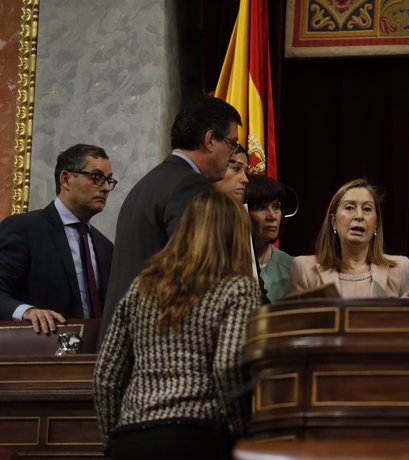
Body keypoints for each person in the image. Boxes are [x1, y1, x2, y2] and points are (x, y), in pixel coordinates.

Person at [94, 189, 261, 460]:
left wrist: (113, 438)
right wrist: (241, 430)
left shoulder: (142, 286)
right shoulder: (237, 288)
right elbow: (228, 365)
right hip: (196, 435)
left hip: (132, 434)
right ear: (236, 236)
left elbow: (106, 376)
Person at [101, 96, 242, 344]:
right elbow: (196, 270)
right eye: (231, 144)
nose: (232, 155)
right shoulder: (189, 186)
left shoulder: (150, 182)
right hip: (158, 347)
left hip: (128, 340)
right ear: (210, 140)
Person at [0, 144, 115, 334]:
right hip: (39, 353)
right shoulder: (23, 229)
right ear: (66, 179)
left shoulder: (105, 247)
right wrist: (27, 311)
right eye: (96, 177)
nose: (105, 188)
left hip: (94, 356)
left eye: (108, 180)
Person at [287, 179, 409, 298]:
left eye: (367, 209)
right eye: (349, 208)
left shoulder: (400, 270)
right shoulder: (304, 270)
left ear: (376, 224)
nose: (359, 216)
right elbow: (295, 321)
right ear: (333, 221)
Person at [244, 174, 294, 303]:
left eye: (276, 207)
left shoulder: (293, 267)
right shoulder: (226, 261)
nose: (272, 216)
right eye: (261, 208)